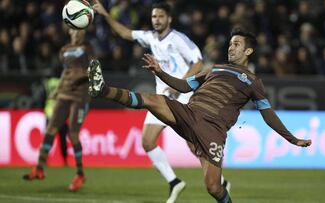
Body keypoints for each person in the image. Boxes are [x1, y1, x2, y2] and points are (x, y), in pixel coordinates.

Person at [88, 27, 312, 202]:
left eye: (237, 44)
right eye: (230, 44)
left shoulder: (253, 82)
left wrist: (292, 139)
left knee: (213, 187)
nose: (230, 48)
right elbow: (184, 86)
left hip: (212, 131)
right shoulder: (215, 69)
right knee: (152, 99)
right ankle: (103, 89)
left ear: (248, 51)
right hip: (189, 113)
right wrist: (161, 72)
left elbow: (268, 114)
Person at [93, 1, 232, 202]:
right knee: (147, 141)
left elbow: (198, 62)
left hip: (183, 97)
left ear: (169, 19)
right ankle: (174, 182)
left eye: (160, 16)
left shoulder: (178, 39)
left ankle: (219, 182)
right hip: (162, 98)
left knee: (195, 147)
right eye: (154, 17)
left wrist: (179, 84)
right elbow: (125, 33)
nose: (156, 20)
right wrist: (105, 14)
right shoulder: (150, 38)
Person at [23, 29, 95, 192]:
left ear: (84, 32)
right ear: (69, 31)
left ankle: (80, 174)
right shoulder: (64, 50)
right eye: (74, 30)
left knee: (73, 133)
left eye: (80, 31)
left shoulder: (87, 48)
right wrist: (58, 88)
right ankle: (39, 168)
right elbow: (66, 71)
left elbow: (94, 69)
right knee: (50, 129)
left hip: (80, 95)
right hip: (64, 93)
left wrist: (80, 78)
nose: (77, 34)